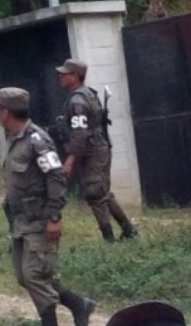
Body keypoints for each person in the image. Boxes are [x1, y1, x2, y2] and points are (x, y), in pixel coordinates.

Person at [0, 87, 96, 326]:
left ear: (5, 112)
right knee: (24, 275)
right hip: (20, 221)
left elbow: (56, 176)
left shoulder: (36, 140)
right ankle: (77, 304)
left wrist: (54, 216)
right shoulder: (15, 138)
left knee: (34, 274)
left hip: (39, 219)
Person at [55, 58, 138, 243]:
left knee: (95, 194)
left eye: (64, 73)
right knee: (102, 193)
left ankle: (110, 239)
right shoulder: (86, 94)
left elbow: (80, 133)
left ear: (75, 76)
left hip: (92, 151)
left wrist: (69, 160)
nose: (60, 76)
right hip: (97, 148)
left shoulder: (78, 100)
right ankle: (128, 230)